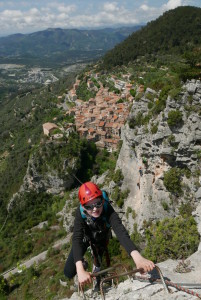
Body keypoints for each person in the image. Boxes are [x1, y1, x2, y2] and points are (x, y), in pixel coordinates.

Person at [64, 182, 155, 289]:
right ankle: (84, 263)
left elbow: (120, 232)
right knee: (69, 272)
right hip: (85, 238)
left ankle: (97, 275)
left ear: (102, 200)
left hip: (100, 238)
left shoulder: (107, 209)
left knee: (98, 263)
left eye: (98, 204)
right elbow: (77, 238)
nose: (94, 209)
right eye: (89, 207)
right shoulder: (80, 213)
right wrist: (80, 269)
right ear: (83, 207)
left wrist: (138, 258)